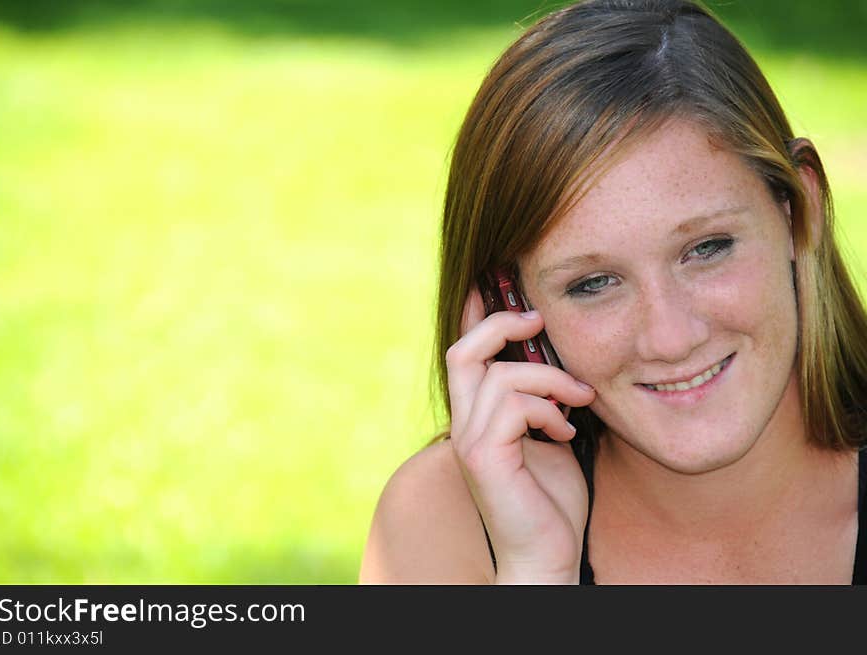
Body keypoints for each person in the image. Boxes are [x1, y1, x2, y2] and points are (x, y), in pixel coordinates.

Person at [358, 0, 867, 584]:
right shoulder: (443, 521)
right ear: (510, 306)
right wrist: (537, 570)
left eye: (707, 248)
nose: (671, 338)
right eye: (594, 283)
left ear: (799, 213)